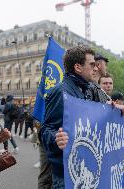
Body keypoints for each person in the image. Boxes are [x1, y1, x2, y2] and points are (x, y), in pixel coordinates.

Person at [39, 46, 102, 188]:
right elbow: (45, 129)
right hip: (66, 174)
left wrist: (115, 111)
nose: (96, 68)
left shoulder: (86, 89)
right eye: (92, 64)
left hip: (83, 169)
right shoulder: (62, 92)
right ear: (78, 67)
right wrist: (56, 138)